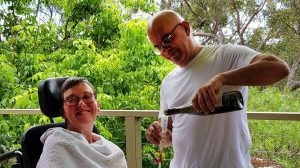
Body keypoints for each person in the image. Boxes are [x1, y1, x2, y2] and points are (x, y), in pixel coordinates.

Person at [145, 10, 289, 168]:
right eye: (158, 47)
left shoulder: (225, 56)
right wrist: (159, 134)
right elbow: (169, 134)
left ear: (186, 28)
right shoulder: (167, 83)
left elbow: (279, 68)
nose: (165, 50)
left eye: (167, 39)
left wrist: (222, 79)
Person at [37, 77, 127, 168]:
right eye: (72, 100)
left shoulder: (113, 150)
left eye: (87, 97)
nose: (81, 104)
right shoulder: (57, 145)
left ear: (98, 105)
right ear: (62, 112)